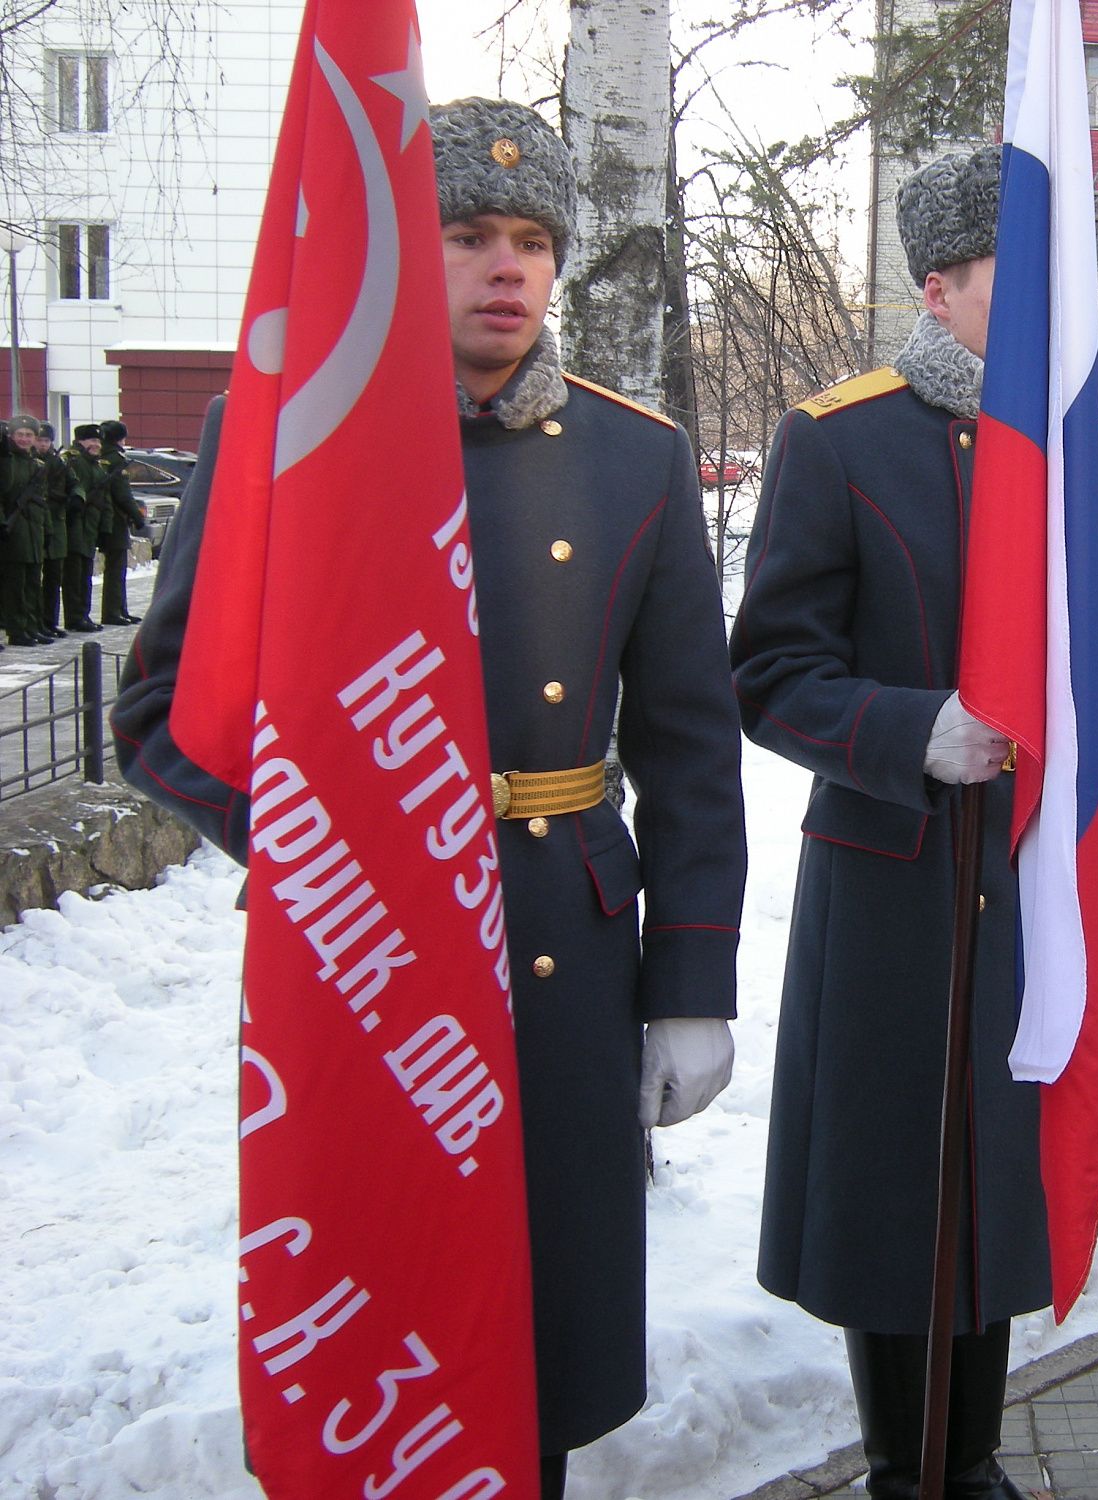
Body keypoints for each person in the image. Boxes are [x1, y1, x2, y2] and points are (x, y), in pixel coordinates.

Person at [112, 98, 748, 1500]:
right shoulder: (290, 433)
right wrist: (332, 861)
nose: (507, 266)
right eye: (468, 235)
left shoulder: (636, 457)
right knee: (377, 1309)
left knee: (541, 1326)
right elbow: (164, 715)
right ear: (408, 249)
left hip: (563, 959)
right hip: (361, 970)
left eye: (532, 239)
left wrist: (692, 983)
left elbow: (693, 749)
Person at [730, 147, 1098, 1500]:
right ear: (939, 289)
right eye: (1011, 287)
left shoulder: (1094, 452)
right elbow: (772, 672)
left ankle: (972, 1453)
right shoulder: (839, 438)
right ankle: (906, 1462)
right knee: (902, 1176)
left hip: (1035, 876)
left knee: (1001, 1169)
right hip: (895, 875)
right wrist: (912, 729)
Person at [2, 414, 52, 646]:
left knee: (33, 581)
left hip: (33, 529)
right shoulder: (7, 461)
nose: (24, 439)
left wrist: (47, 529)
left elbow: (42, 500)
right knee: (15, 584)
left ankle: (32, 626)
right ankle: (17, 629)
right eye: (19, 435)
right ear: (11, 436)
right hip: (14, 530)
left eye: (28, 435)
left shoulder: (36, 464)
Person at [95, 419, 147, 626]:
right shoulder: (115, 459)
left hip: (106, 516)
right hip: (115, 518)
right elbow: (122, 493)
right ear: (120, 438)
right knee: (116, 567)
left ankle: (119, 609)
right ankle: (113, 611)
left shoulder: (101, 456)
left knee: (116, 566)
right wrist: (137, 516)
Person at [61, 424, 106, 633]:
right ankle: (75, 616)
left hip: (89, 526)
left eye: (97, 441)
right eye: (91, 441)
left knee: (84, 573)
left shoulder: (95, 464)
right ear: (80, 441)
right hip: (76, 523)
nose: (95, 444)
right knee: (75, 573)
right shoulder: (76, 461)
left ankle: (83, 614)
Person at [36, 423, 73, 637]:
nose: (43, 444)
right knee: (33, 580)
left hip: (56, 523)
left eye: (46, 441)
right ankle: (35, 623)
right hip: (37, 523)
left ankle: (50, 621)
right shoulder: (33, 462)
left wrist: (75, 496)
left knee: (53, 577)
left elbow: (73, 484)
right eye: (40, 440)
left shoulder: (60, 462)